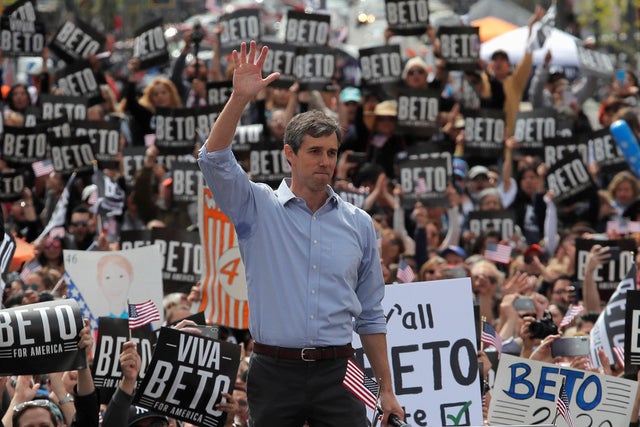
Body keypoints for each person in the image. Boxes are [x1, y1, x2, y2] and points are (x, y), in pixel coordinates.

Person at [197, 41, 404, 426]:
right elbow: (213, 159)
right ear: (289, 155)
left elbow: (372, 315)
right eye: (314, 152)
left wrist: (387, 389)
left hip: (341, 370)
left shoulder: (359, 223)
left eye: (331, 152)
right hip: (273, 370)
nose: (325, 161)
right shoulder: (255, 207)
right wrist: (240, 98)